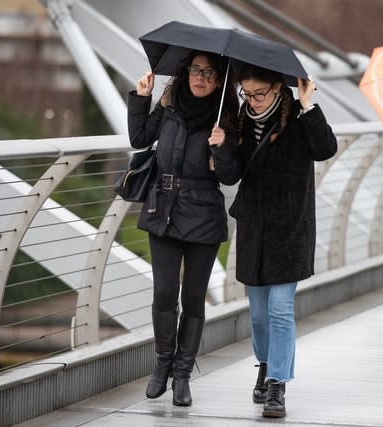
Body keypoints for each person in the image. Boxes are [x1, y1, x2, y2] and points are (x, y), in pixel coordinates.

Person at [211, 64, 337, 418]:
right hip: (254, 227)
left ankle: (278, 385)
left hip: (290, 227)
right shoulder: (239, 123)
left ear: (277, 89)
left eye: (258, 94)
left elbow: (325, 148)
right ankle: (265, 364)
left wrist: (308, 104)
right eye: (246, 94)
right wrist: (221, 147)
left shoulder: (298, 117)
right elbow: (230, 174)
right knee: (258, 316)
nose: (252, 101)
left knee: (281, 310)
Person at [127, 51, 239, 406]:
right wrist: (142, 99)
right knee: (163, 293)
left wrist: (221, 149)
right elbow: (140, 139)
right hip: (164, 208)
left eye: (208, 72)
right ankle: (161, 367)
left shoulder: (226, 119)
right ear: (186, 72)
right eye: (195, 70)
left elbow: (230, 175)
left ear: (219, 80)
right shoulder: (169, 104)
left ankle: (182, 376)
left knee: (193, 298)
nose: (201, 77)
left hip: (204, 212)